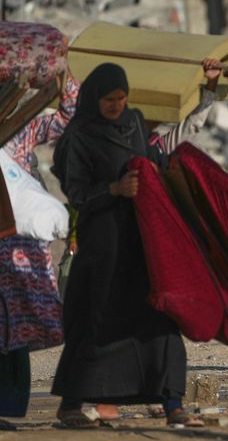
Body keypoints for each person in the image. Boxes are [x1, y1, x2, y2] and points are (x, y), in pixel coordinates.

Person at [50, 63, 209, 429]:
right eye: (109, 99)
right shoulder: (80, 136)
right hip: (102, 246)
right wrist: (113, 189)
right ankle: (71, 405)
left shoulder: (136, 122)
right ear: (95, 98)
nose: (117, 105)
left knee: (159, 317)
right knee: (94, 320)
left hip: (141, 241)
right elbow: (75, 192)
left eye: (122, 98)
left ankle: (173, 404)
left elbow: (155, 156)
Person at [0, 75, 78, 429]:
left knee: (15, 327)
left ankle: (7, 406)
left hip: (20, 248)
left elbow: (67, 116)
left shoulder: (21, 128)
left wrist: (65, 75)